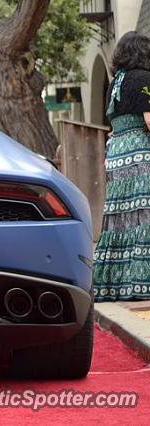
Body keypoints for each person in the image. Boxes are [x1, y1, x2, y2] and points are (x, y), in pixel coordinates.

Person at [93, 31, 150, 302]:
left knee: (121, 218)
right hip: (140, 154)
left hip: (117, 155)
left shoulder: (115, 83)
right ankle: (142, 283)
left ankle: (116, 284)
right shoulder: (144, 80)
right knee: (144, 214)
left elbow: (114, 124)